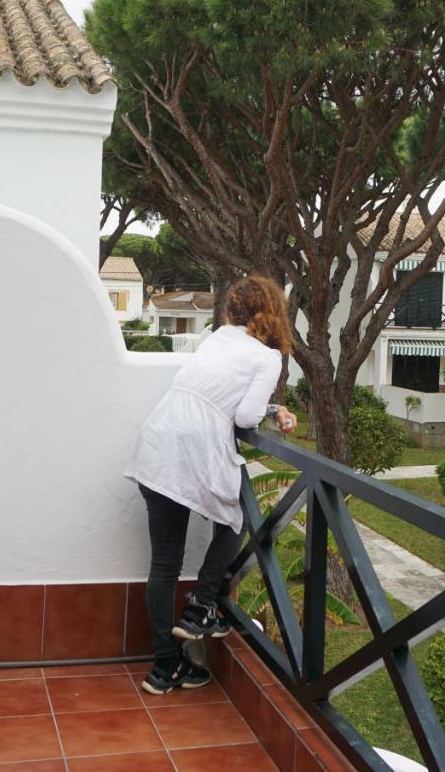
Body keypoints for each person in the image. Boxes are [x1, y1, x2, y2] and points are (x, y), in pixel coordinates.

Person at [124, 275, 297, 695]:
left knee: (164, 564)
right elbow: (243, 418)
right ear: (272, 313)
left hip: (158, 442)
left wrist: (270, 405)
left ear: (229, 311)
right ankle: (201, 607)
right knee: (233, 521)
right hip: (195, 451)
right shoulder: (267, 357)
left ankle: (164, 669)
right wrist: (274, 409)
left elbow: (221, 394)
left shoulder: (217, 338)